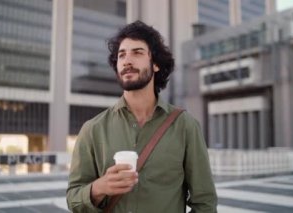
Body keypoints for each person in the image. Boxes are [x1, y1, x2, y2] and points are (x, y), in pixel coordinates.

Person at [66, 20, 217, 213]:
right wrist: (99, 188)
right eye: (122, 55)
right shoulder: (92, 129)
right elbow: (73, 198)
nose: (127, 60)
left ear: (155, 64)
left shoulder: (185, 126)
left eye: (137, 52)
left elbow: (205, 203)